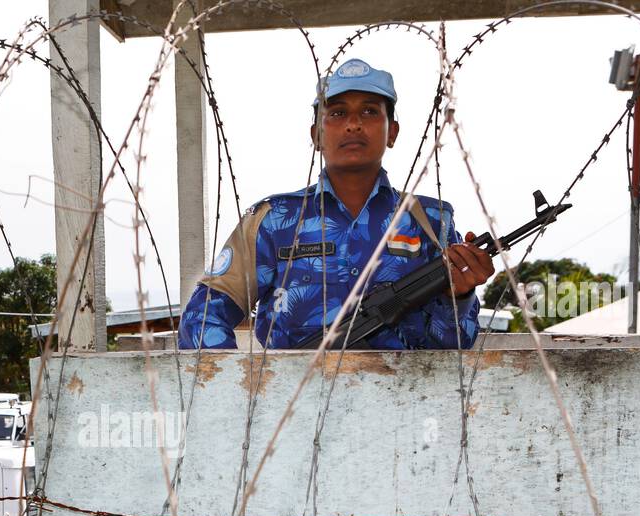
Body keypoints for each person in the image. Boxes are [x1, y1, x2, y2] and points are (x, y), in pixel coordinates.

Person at [178, 58, 495, 350]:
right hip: (293, 405)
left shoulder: (431, 221)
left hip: (403, 404)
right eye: (338, 112)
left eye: (370, 111)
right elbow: (202, 317)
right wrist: (244, 394)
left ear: (392, 131)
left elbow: (455, 347)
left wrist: (460, 297)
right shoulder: (275, 221)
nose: (354, 124)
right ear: (316, 134)